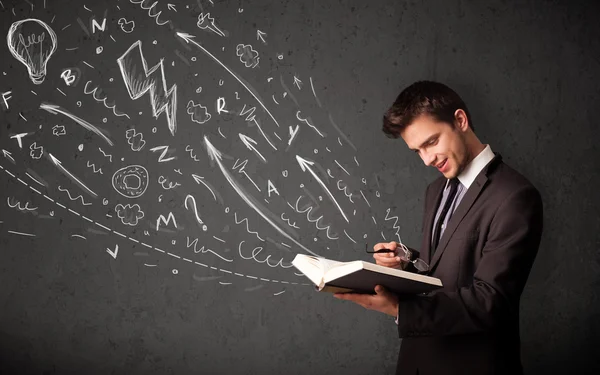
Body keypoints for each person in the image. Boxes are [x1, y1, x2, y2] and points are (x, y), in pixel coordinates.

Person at [333, 80, 544, 375]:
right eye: (417, 151)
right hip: (417, 362)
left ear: (460, 120)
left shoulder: (516, 196)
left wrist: (399, 309)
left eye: (431, 142)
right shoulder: (436, 190)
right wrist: (406, 260)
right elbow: (446, 269)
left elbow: (491, 301)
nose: (427, 159)